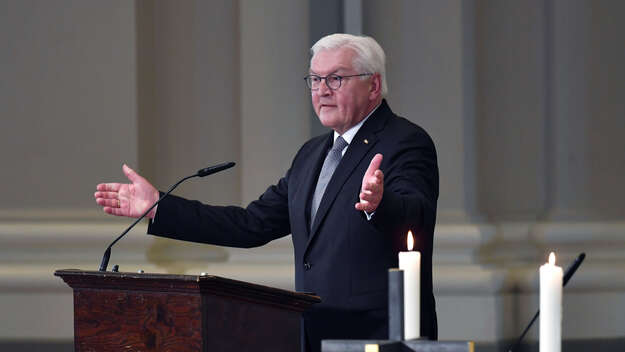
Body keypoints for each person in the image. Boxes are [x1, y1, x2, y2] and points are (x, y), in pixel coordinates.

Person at [94, 33, 438, 352]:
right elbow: (250, 224)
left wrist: (380, 204)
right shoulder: (311, 155)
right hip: (314, 335)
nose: (322, 91)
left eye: (336, 78)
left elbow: (415, 213)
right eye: (315, 80)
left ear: (373, 85)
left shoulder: (405, 142)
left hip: (380, 338)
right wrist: (159, 207)